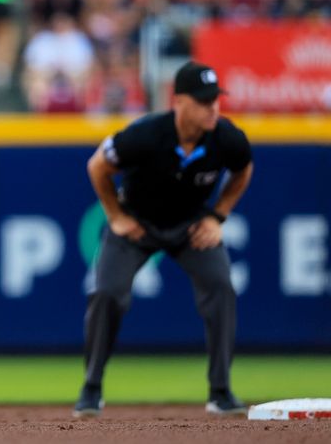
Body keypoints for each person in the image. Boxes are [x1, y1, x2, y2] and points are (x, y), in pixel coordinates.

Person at [73, 61, 254, 417]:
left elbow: (244, 168)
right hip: (138, 225)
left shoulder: (226, 137)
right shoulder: (146, 134)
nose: (213, 107)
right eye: (204, 101)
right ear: (179, 101)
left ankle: (220, 391)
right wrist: (116, 216)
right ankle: (91, 387)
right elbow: (98, 165)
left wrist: (218, 216)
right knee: (107, 292)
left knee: (220, 286)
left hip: (190, 226)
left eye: (215, 99)